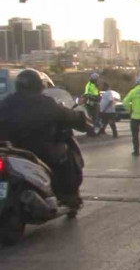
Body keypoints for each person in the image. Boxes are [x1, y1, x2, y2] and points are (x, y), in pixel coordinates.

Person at [0, 69, 90, 210]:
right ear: (38, 85)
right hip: (40, 150)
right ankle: (68, 194)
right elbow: (69, 116)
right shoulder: (46, 104)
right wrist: (82, 120)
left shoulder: (6, 103)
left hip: (10, 149)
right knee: (66, 156)